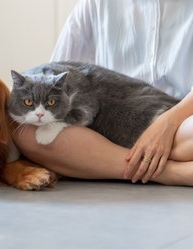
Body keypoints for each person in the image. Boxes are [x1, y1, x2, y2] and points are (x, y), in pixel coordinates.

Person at [12, 0, 193, 185]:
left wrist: (167, 123)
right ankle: (172, 172)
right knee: (26, 135)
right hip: (101, 134)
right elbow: (56, 82)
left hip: (182, 121)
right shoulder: (95, 4)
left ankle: (101, 164)